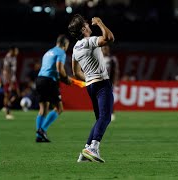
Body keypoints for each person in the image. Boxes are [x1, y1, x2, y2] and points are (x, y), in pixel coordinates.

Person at [68, 14, 114, 163]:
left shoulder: (75, 49)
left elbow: (75, 73)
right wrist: (100, 22)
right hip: (101, 84)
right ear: (83, 29)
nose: (89, 26)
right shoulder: (89, 41)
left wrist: (88, 78)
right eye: (87, 25)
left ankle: (85, 152)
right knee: (106, 117)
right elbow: (110, 38)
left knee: (99, 119)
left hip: (91, 86)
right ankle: (93, 148)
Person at [34, 34, 72, 143]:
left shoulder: (48, 52)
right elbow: (59, 69)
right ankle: (42, 130)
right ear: (65, 44)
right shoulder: (61, 52)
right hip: (49, 81)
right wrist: (66, 79)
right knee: (59, 108)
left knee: (43, 109)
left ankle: (39, 136)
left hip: (40, 79)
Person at [1, 46, 21, 120]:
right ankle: (8, 113)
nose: (17, 52)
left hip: (13, 78)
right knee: (7, 95)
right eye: (16, 51)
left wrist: (14, 80)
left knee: (17, 94)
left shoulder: (14, 57)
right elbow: (6, 71)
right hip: (7, 79)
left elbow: (12, 70)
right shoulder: (8, 57)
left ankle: (6, 106)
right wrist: (10, 82)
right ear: (12, 51)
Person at [102, 45, 119, 121]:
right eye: (103, 48)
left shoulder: (112, 59)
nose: (105, 50)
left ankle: (111, 113)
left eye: (106, 48)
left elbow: (116, 71)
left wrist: (115, 81)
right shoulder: (98, 59)